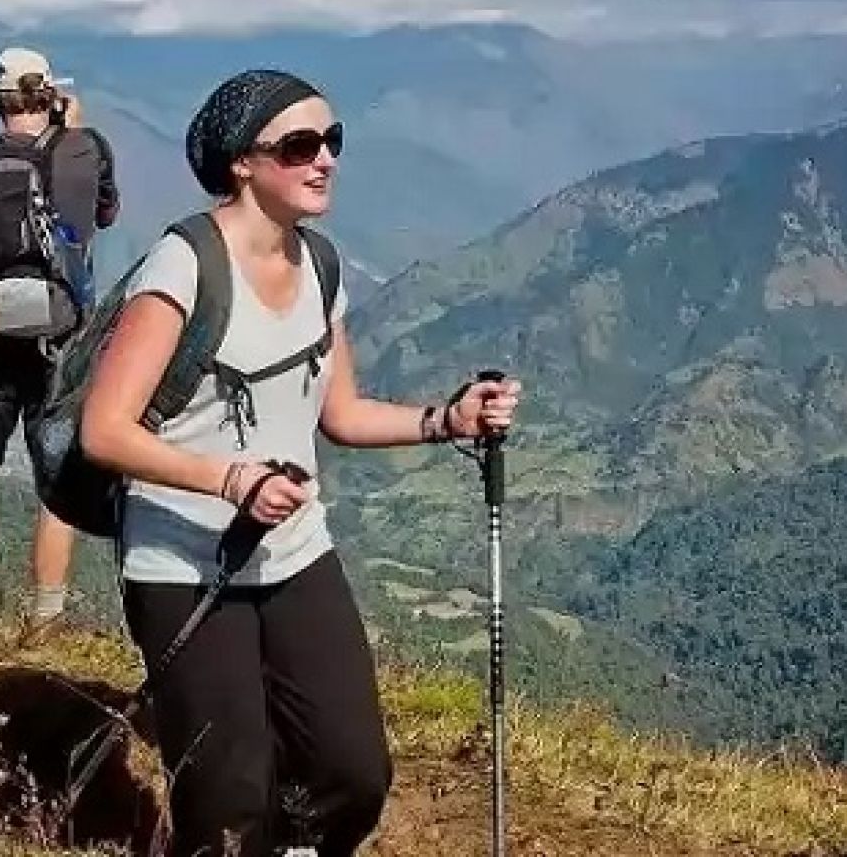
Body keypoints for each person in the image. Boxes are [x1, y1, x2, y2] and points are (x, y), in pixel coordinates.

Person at [79, 69, 523, 856]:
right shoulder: (183, 267)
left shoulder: (322, 264)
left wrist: (444, 420)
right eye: (300, 145)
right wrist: (232, 478)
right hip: (184, 562)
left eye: (333, 141)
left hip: (294, 552)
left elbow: (341, 413)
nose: (326, 160)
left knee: (353, 773)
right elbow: (104, 430)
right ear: (242, 162)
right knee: (226, 795)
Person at [0, 46, 119, 639]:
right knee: (56, 475)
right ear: (49, 95)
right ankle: (46, 613)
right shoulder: (83, 150)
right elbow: (106, 215)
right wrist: (75, 127)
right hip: (60, 332)